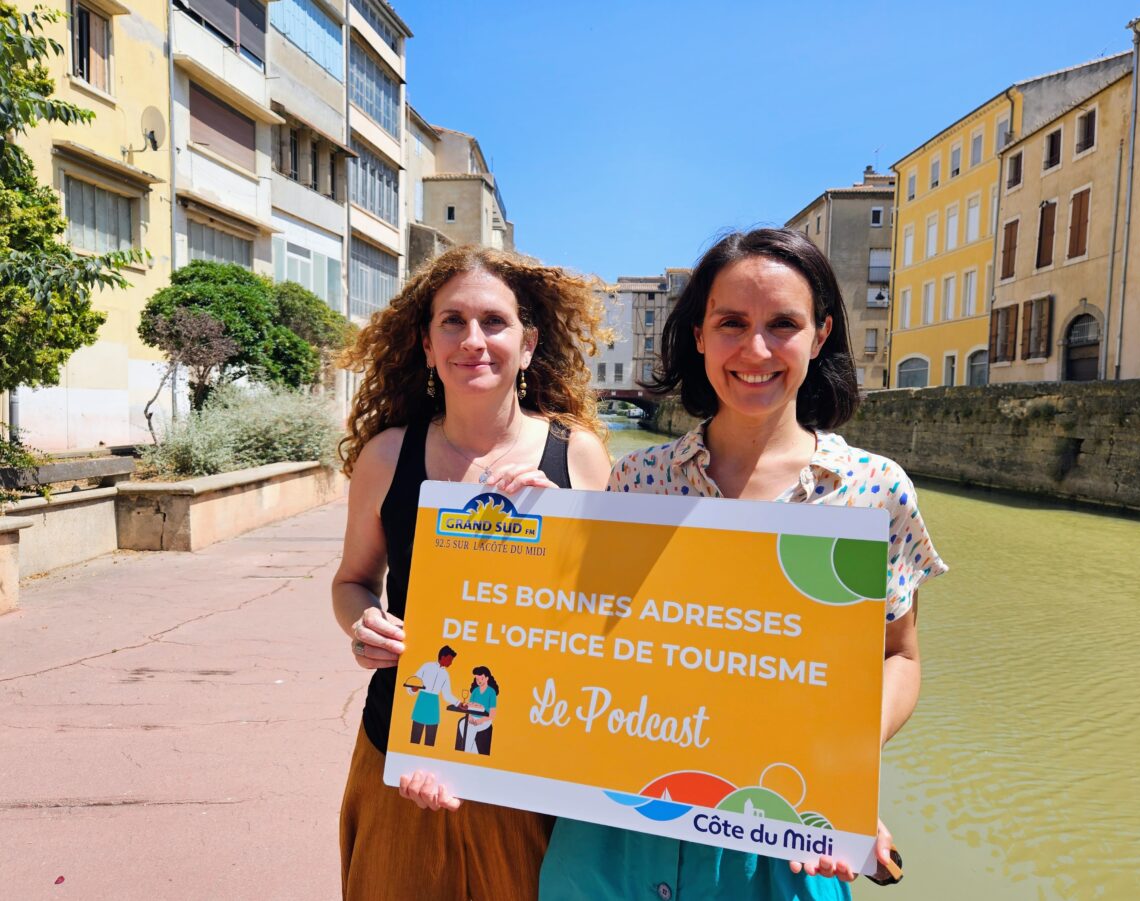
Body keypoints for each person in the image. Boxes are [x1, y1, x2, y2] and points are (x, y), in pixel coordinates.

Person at [539, 229, 948, 900]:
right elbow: (588, 643)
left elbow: (898, 656)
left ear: (819, 336)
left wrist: (836, 761)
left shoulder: (874, 489)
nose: (755, 349)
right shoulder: (637, 479)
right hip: (624, 832)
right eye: (732, 323)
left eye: (782, 324)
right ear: (698, 334)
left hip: (780, 840)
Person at [332, 244, 612, 901]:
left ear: (529, 341)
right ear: (426, 345)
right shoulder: (387, 456)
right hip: (403, 749)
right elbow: (352, 580)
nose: (473, 339)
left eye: (493, 321)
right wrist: (363, 623)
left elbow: (611, 615)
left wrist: (561, 522)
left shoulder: (579, 457)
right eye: (452, 322)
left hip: (534, 759)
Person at [407, 645, 458, 746]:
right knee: (414, 740)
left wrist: (458, 703)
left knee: (430, 741)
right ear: (443, 657)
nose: (451, 663)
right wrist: (413, 689)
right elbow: (413, 681)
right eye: (449, 660)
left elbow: (447, 694)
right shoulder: (426, 666)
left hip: (434, 705)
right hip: (421, 703)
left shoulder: (445, 675)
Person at [460, 665, 500, 755]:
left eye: (481, 678)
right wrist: (470, 717)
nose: (479, 681)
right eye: (477, 679)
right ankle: (474, 752)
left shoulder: (491, 692)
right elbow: (470, 706)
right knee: (462, 724)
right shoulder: (475, 691)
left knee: (471, 728)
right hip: (472, 716)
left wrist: (480, 720)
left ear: (487, 678)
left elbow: (492, 714)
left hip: (485, 719)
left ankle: (466, 753)